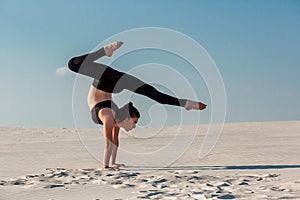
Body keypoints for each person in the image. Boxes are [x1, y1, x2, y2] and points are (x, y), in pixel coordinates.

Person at [68, 41, 206, 170]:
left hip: (108, 79)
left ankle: (105, 51)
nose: (134, 126)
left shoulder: (109, 116)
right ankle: (188, 104)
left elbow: (110, 143)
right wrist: (109, 165)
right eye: (134, 122)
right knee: (155, 95)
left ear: (126, 117)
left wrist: (108, 165)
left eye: (134, 123)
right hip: (112, 79)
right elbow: (112, 143)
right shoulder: (113, 116)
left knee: (73, 64)